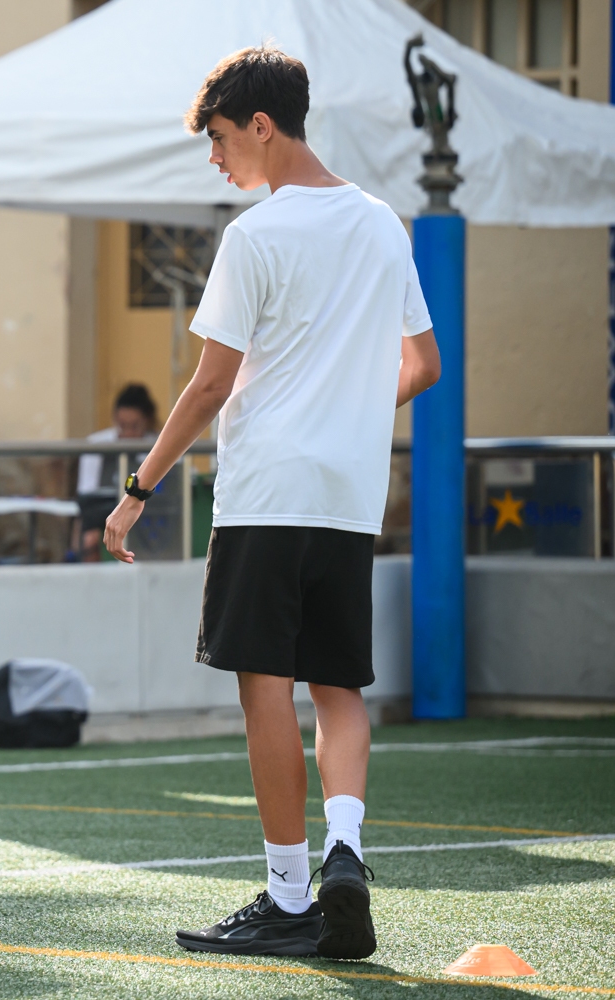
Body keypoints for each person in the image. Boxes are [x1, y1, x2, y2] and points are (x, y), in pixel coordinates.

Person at [103, 47, 440, 960]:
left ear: (262, 124)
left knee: (266, 691)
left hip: (266, 496)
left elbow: (210, 385)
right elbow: (423, 366)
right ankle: (345, 851)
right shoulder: (383, 224)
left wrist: (137, 489)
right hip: (348, 497)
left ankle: (290, 898)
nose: (215, 158)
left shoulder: (255, 236)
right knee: (339, 687)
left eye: (219, 139)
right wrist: (351, 410)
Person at [76, 384, 158, 559]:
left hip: (149, 510)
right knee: (90, 536)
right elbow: (86, 493)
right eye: (122, 426)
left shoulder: (159, 447)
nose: (128, 434)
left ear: (147, 421)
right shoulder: (96, 445)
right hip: (104, 508)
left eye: (135, 426)